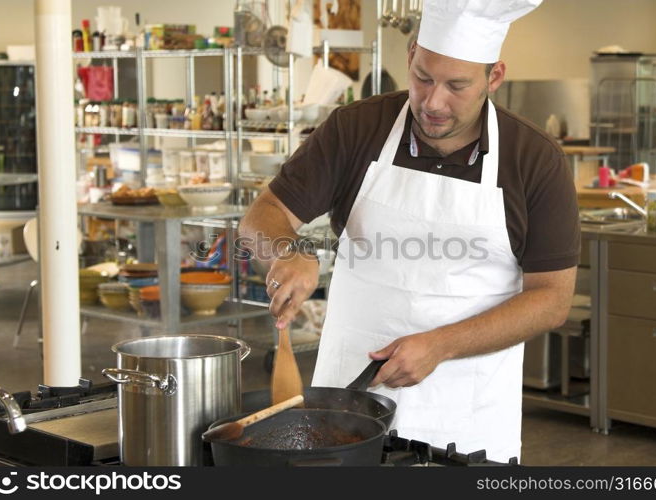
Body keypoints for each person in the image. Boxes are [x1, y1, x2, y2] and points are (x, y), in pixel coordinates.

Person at [239, 0, 580, 462]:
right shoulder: (357, 129)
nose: (433, 102)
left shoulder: (533, 159)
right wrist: (287, 250)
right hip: (346, 405)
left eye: (457, 86)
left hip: (465, 417)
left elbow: (552, 299)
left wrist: (440, 345)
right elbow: (264, 213)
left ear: (494, 77)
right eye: (423, 78)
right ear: (412, 54)